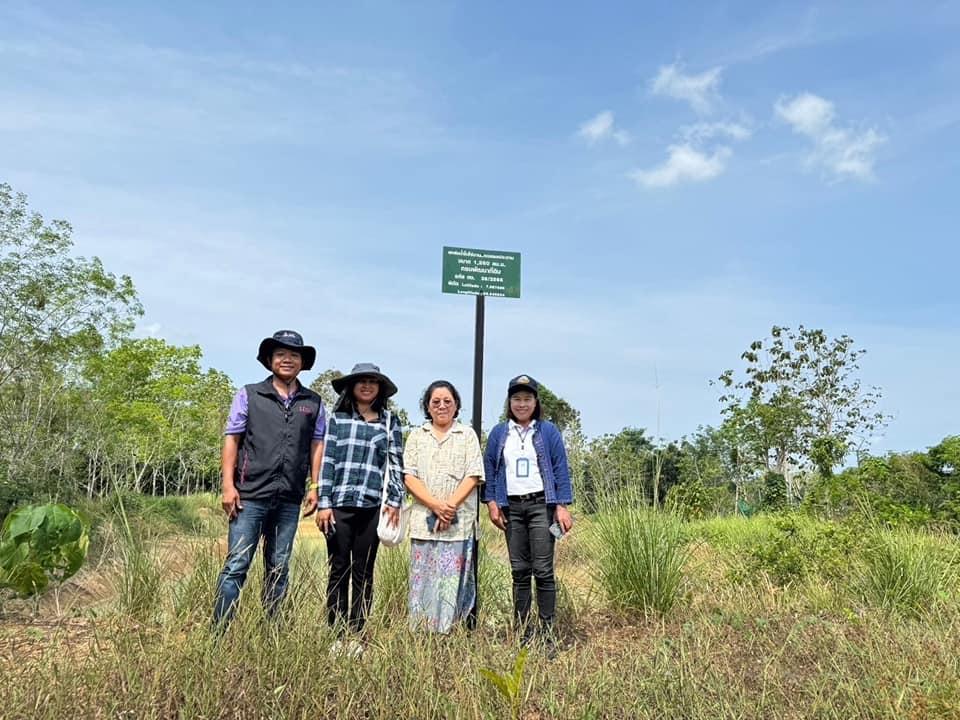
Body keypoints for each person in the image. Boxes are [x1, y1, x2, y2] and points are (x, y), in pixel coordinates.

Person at [212, 330, 326, 629]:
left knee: (279, 568)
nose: (287, 359)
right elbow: (232, 440)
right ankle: (218, 634)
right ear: (270, 360)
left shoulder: (312, 402)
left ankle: (272, 635)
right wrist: (228, 485)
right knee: (236, 566)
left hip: (289, 498)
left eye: (294, 355)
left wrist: (315, 486)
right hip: (249, 495)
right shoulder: (249, 394)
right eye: (281, 354)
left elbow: (317, 445)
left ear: (302, 363)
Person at [315, 363, 404, 654]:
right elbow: (327, 463)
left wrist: (394, 500)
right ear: (351, 387)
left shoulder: (389, 422)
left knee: (364, 570)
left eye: (372, 382)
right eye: (361, 382)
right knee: (338, 568)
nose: (367, 387)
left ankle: (358, 632)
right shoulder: (337, 420)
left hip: (372, 506)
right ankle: (336, 632)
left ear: (380, 389)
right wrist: (324, 503)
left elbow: (395, 463)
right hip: (339, 504)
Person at [482, 374, 573, 655]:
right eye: (517, 399)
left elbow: (560, 467)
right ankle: (523, 634)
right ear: (509, 402)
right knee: (519, 572)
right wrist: (492, 503)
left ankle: (548, 636)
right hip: (512, 507)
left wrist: (562, 504)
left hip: (541, 506)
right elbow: (490, 469)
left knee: (543, 572)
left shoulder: (547, 432)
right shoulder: (500, 433)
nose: (522, 404)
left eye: (527, 398)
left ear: (536, 402)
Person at [403, 380, 484, 633]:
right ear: (427, 406)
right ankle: (422, 633)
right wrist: (435, 505)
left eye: (447, 401)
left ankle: (452, 631)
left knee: (452, 581)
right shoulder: (417, 436)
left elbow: (473, 475)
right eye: (435, 402)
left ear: (456, 405)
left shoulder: (467, 435)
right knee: (424, 578)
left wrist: (449, 507)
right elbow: (409, 476)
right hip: (423, 522)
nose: (441, 406)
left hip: (458, 523)